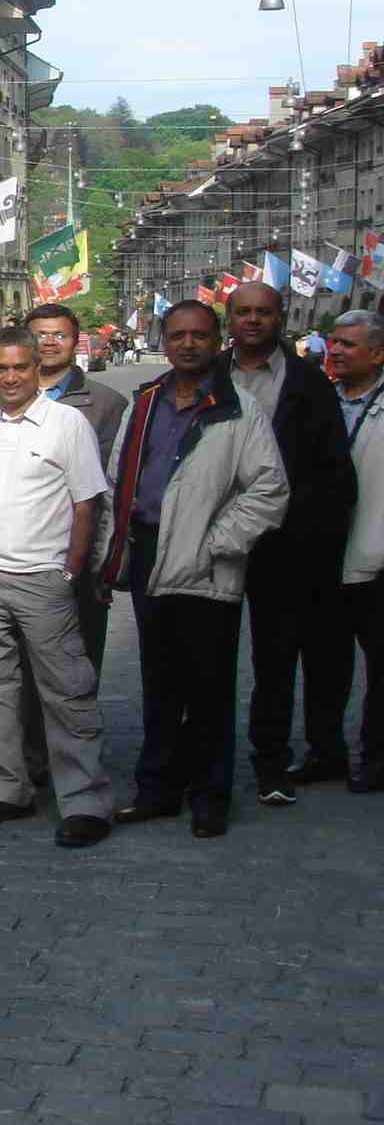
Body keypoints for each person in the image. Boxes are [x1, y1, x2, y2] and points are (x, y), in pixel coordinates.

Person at [101, 299, 289, 839]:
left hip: (207, 560)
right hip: (149, 553)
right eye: (178, 335)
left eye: (199, 335)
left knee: (209, 687)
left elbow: (270, 488)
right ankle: (157, 788)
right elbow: (118, 478)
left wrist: (218, 542)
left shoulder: (236, 408)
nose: (188, 344)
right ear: (164, 341)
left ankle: (210, 795)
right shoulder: (146, 402)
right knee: (159, 683)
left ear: (217, 341)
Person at [0, 329, 113, 848]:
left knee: (66, 691)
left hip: (43, 578)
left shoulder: (67, 424)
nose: (10, 377)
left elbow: (86, 503)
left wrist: (71, 570)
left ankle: (84, 800)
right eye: (1, 368)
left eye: (20, 367)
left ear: (36, 369)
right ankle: (6, 789)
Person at [216, 283, 356, 804]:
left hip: (286, 545)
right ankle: (201, 762)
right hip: (211, 538)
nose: (253, 320)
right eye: (244, 312)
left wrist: (310, 533)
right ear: (229, 319)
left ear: (279, 318)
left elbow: (333, 469)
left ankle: (272, 762)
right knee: (205, 657)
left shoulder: (308, 382)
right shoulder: (209, 375)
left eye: (263, 312)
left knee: (277, 658)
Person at [25, 303, 128, 672]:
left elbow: (112, 489)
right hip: (14, 554)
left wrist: (102, 563)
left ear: (75, 341)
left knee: (77, 667)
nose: (49, 342)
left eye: (60, 335)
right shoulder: (1, 393)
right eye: (40, 335)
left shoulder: (107, 403)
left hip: (76, 554)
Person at [320, 310, 384, 793]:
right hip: (323, 557)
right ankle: (325, 752)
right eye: (334, 342)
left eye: (348, 344)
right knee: (325, 664)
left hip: (376, 558)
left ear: (378, 355)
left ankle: (375, 758)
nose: (336, 351)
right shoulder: (321, 400)